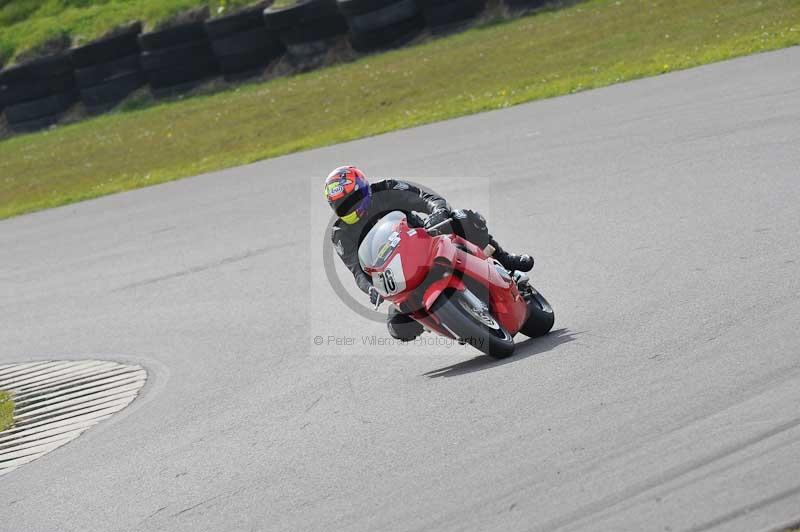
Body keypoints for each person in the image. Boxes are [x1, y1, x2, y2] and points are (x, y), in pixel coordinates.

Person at [325, 165, 533, 341]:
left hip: (425, 239)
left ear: (365, 189)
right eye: (344, 207)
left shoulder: (387, 188)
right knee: (398, 327)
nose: (352, 209)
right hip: (396, 275)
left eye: (354, 199)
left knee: (463, 218)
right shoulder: (340, 234)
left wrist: (437, 211)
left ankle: (504, 260)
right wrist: (370, 288)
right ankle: (437, 320)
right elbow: (357, 270)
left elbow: (424, 198)